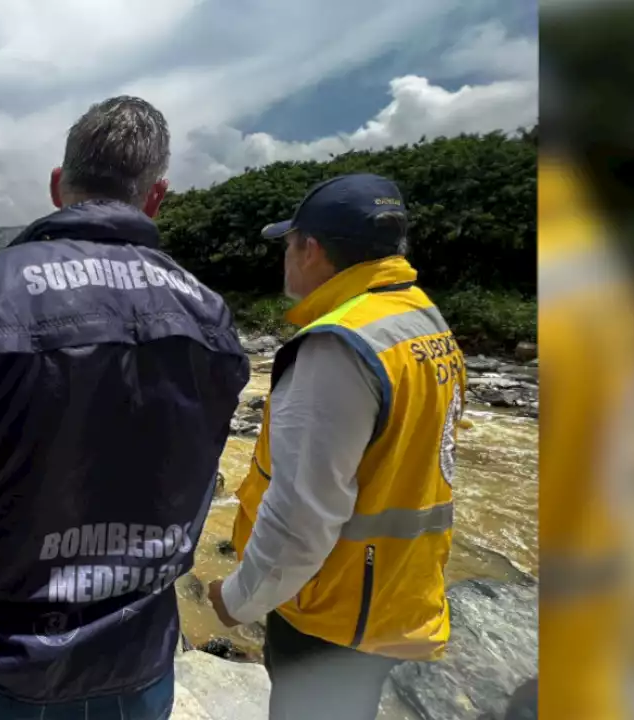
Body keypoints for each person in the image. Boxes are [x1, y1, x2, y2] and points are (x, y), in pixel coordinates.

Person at [0, 96, 249, 719]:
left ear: (56, 186)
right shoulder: (209, 312)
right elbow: (197, 481)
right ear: (157, 197)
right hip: (138, 655)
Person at [207, 174, 466, 720]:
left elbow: (303, 515)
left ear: (310, 248)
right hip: (398, 594)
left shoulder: (336, 347)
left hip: (335, 608)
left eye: (288, 245)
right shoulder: (422, 318)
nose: (285, 259)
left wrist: (237, 601)